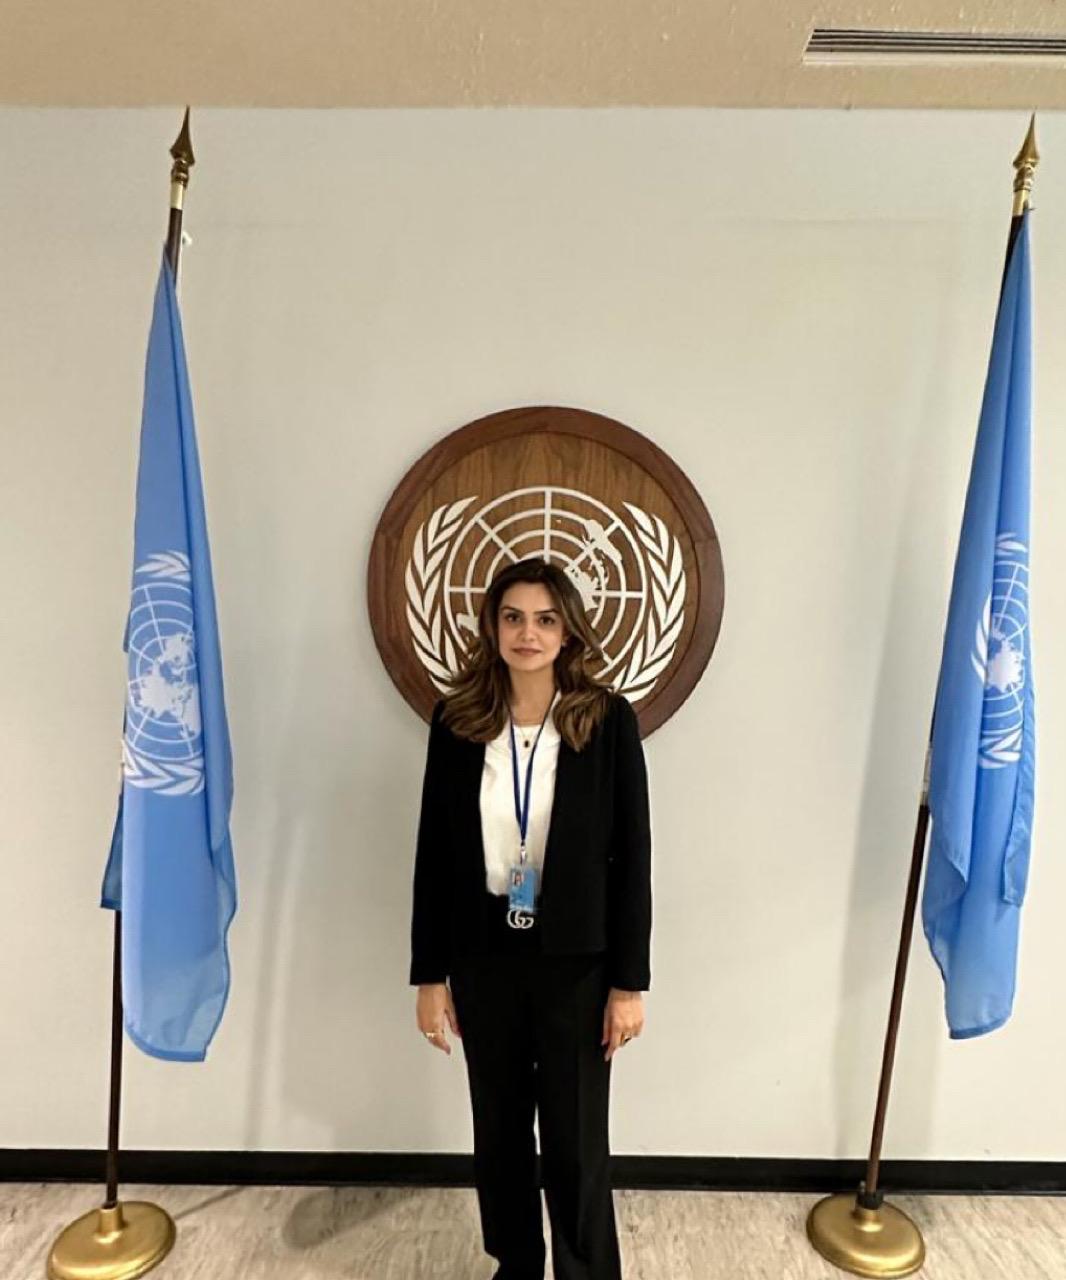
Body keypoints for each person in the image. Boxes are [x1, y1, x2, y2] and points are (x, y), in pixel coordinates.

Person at [409, 555, 653, 1280]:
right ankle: (516, 1264)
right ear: (492, 627)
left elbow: (633, 858)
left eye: (546, 619)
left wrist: (629, 985)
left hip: (577, 961)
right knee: (501, 1132)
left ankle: (585, 1272)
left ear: (568, 631)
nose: (528, 633)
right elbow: (433, 853)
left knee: (576, 1140)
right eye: (513, 617)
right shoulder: (457, 721)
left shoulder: (606, 721)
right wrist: (429, 975)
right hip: (482, 957)